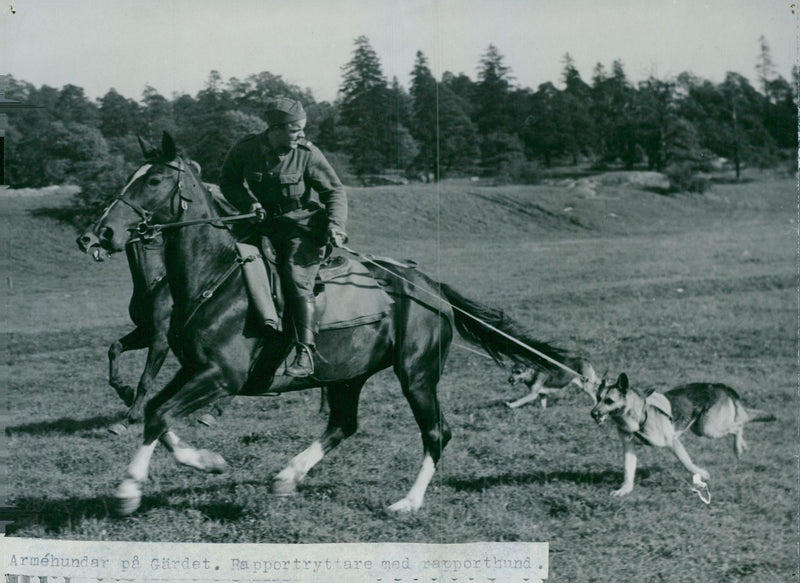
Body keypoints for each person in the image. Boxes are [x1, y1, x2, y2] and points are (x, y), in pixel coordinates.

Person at [220, 97, 348, 377]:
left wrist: (336, 224)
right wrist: (248, 204)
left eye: (302, 129)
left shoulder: (307, 152)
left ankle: (304, 350)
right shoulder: (245, 149)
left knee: (295, 274)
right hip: (260, 225)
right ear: (275, 129)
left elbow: (334, 191)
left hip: (300, 227)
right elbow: (228, 182)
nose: (301, 135)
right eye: (295, 130)